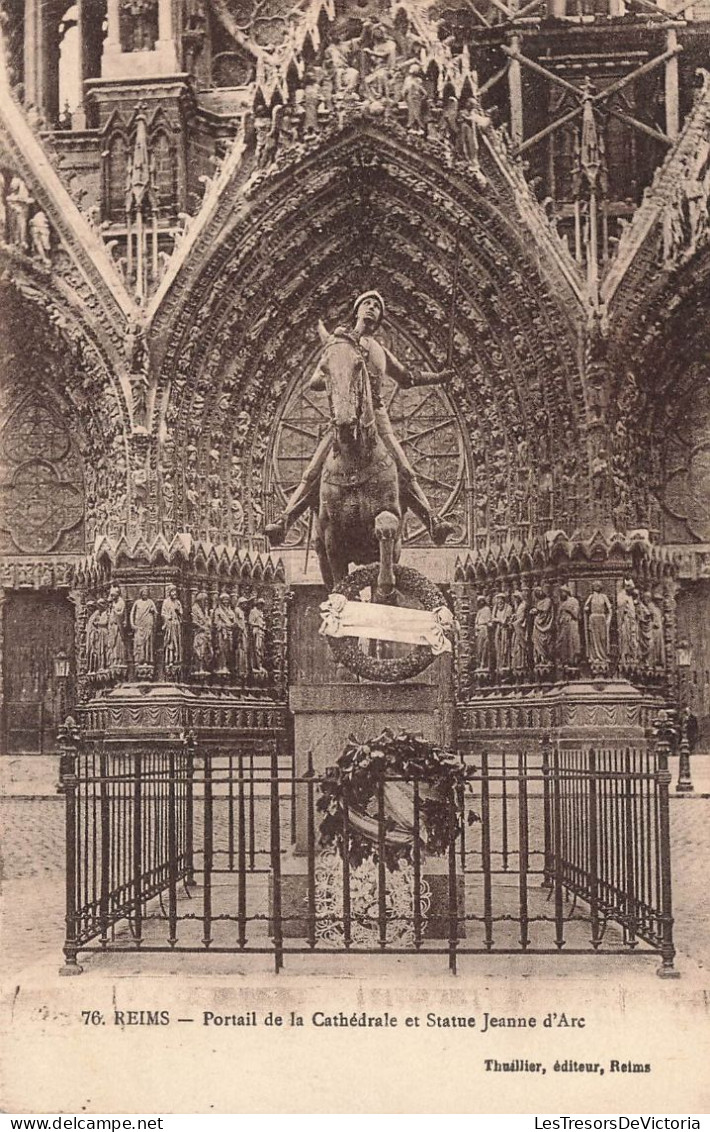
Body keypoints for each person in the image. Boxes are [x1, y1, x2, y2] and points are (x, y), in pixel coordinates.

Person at [265, 291, 455, 546]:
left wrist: (439, 377)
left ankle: (433, 520)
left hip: (377, 416)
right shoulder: (339, 343)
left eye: (377, 306)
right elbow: (314, 382)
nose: (372, 308)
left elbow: (408, 378)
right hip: (343, 414)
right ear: (356, 311)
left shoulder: (379, 351)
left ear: (379, 317)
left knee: (404, 468)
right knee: (311, 471)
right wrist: (337, 376)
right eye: (367, 303)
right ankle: (285, 520)